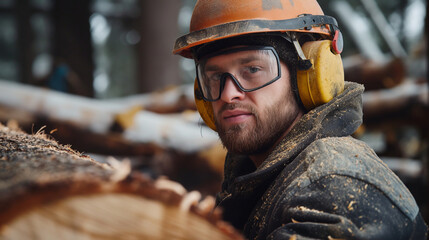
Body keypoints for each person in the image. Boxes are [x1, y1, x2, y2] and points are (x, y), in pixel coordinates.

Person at [173, 0, 428, 239]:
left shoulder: (329, 188)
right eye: (215, 76)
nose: (228, 94)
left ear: (308, 75)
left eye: (252, 69)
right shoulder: (258, 175)